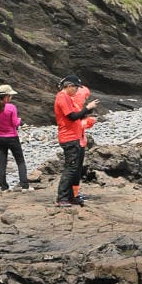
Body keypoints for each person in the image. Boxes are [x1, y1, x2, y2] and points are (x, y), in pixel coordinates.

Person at [53, 75, 97, 207]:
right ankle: (62, 198)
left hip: (74, 137)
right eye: (76, 88)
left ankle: (71, 196)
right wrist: (87, 108)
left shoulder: (67, 97)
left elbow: (78, 115)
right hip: (69, 137)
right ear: (69, 86)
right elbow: (72, 117)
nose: (77, 91)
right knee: (71, 168)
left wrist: (88, 111)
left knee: (76, 167)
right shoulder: (62, 97)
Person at [0, 84, 31, 191]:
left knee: (2, 162)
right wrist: (20, 121)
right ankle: (25, 186)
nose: (11, 97)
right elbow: (14, 123)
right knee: (20, 161)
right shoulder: (11, 107)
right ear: (7, 96)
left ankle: (3, 187)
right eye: (10, 95)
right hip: (12, 137)